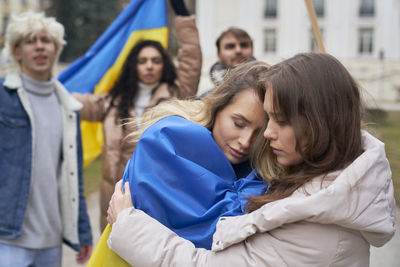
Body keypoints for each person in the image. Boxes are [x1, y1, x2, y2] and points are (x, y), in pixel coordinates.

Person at [107, 52, 396, 266]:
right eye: (240, 122)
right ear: (217, 106)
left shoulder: (312, 216)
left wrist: (128, 226)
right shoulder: (168, 145)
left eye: (279, 121)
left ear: (319, 124)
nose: (259, 137)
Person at [73, 0, 202, 231]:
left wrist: (180, 11)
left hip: (160, 192)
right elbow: (76, 103)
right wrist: (47, 88)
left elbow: (191, 57)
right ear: (134, 66)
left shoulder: (178, 95)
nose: (149, 66)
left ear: (164, 65)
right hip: (115, 194)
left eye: (156, 60)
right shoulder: (112, 101)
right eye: (143, 61)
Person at [0, 12, 92, 266]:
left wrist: (82, 232)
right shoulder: (3, 98)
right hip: (8, 239)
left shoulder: (68, 107)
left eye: (46, 40)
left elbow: (75, 177)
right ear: (17, 52)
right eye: (30, 41)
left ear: (56, 50)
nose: (39, 46)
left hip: (51, 243)